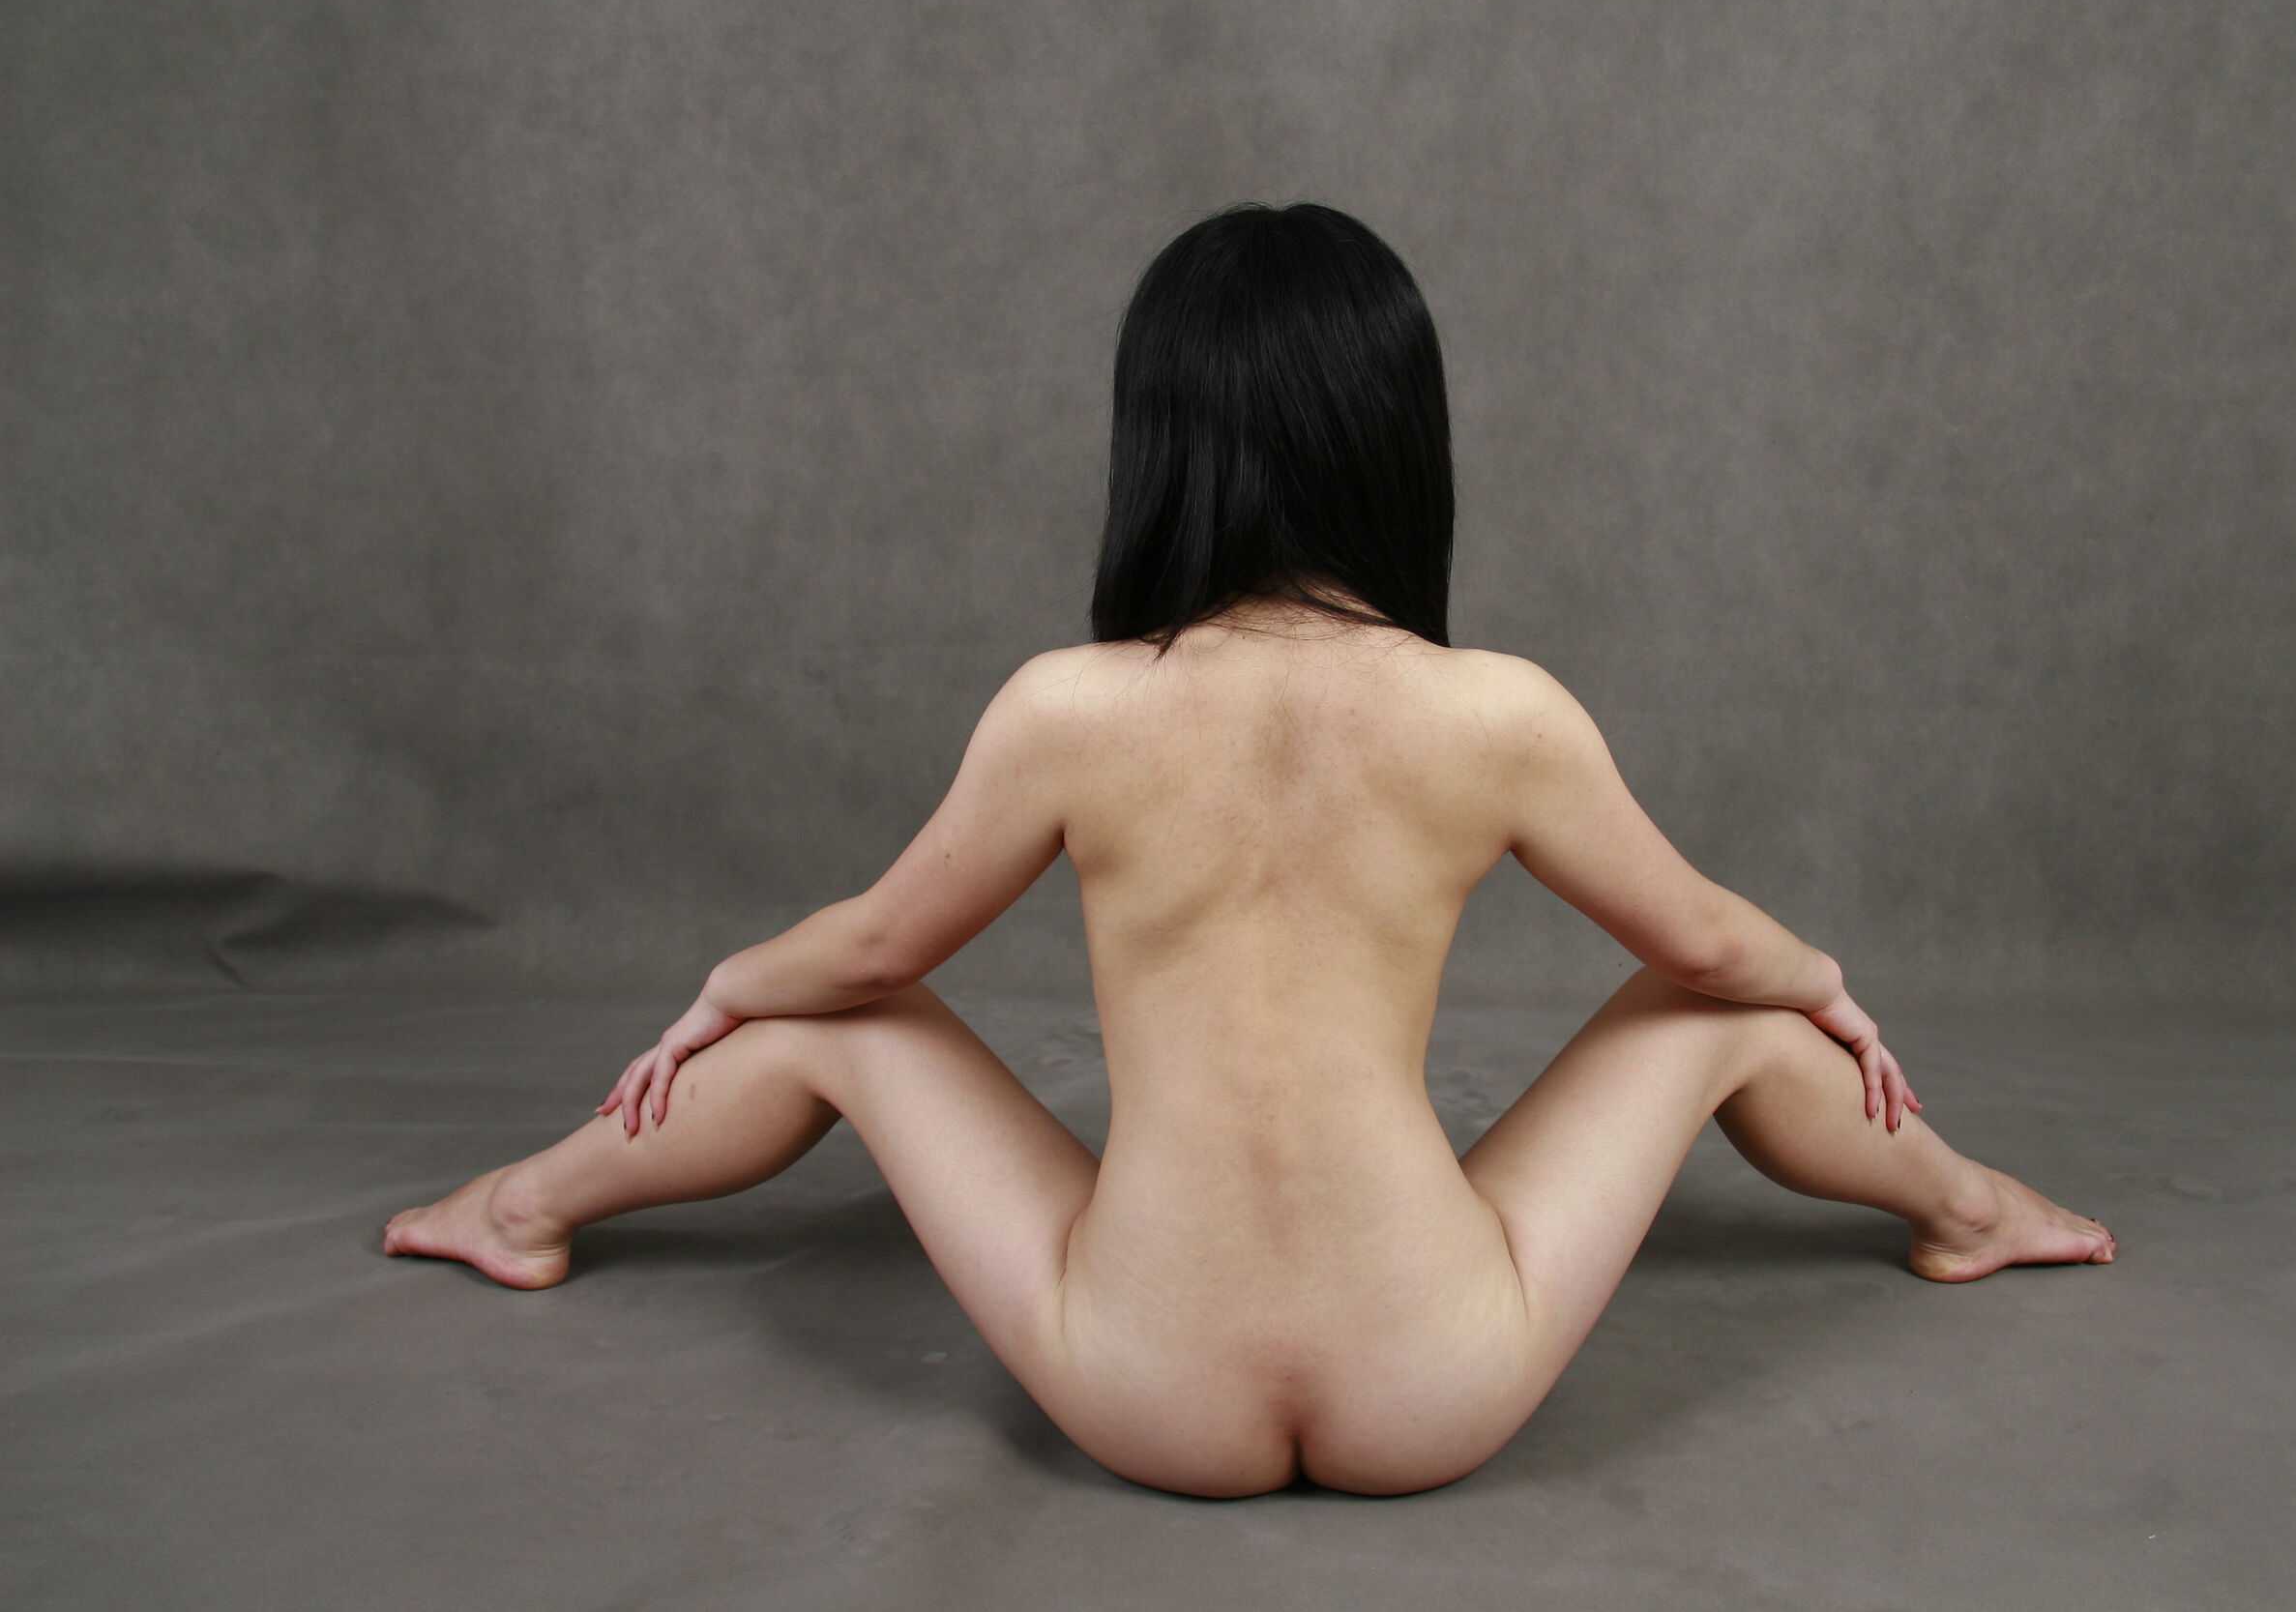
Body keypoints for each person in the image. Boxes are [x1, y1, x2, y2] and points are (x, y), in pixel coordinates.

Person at [382, 200, 2114, 1499]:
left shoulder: (1068, 711)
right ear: (1400, 444)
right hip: (1444, 1376)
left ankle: (524, 1209)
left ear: (1159, 444)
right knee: (1713, 1008)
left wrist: (721, 987)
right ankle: (1969, 1210)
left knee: (843, 1020)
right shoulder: (1497, 715)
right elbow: (1719, 950)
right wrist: (1826, 981)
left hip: (1134, 1381)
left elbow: (872, 954)